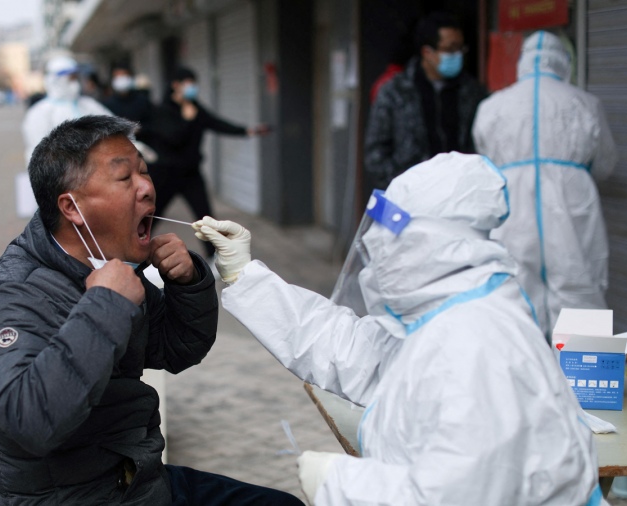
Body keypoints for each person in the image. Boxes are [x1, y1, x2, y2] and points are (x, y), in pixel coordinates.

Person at [193, 152, 605, 505]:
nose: (377, 249)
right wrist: (245, 275)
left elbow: (455, 497)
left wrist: (338, 482)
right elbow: (350, 349)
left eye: (389, 234)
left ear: (428, 241)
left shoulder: (477, 344)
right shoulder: (447, 313)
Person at [0, 115, 303, 505]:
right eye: (125, 178)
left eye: (145, 172)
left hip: (136, 480)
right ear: (71, 207)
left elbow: (178, 350)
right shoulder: (17, 292)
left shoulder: (110, 264)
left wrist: (188, 282)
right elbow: (27, 420)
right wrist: (105, 306)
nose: (147, 188)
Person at [472, 30, 618, 336]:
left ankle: (523, 376)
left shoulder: (492, 106)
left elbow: (484, 159)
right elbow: (605, 163)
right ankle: (583, 380)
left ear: (522, 63)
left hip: (512, 206)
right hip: (571, 202)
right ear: (564, 63)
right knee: (580, 286)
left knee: (515, 289)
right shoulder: (585, 103)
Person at [147, 66, 268, 259]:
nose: (192, 87)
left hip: (191, 175)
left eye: (193, 83)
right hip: (166, 174)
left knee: (205, 220)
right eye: (188, 83)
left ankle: (214, 259)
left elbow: (216, 123)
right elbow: (173, 139)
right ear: (175, 85)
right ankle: (134, 252)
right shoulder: (163, 110)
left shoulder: (195, 107)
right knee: (150, 216)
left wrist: (247, 131)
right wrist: (187, 120)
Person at [364, 11, 488, 190]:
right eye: (450, 48)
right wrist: (401, 185)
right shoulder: (395, 92)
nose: (458, 55)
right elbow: (376, 152)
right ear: (427, 52)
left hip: (461, 194)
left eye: (461, 48)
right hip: (412, 197)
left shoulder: (472, 92)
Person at [21, 55, 112, 165]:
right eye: (71, 78)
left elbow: (112, 127)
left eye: (75, 77)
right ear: (56, 80)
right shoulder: (40, 112)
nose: (75, 82)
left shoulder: (88, 104)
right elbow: (39, 152)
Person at [102, 63, 154, 128]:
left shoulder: (143, 101)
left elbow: (153, 124)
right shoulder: (108, 104)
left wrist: (140, 128)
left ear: (130, 77)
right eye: (118, 76)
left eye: (123, 75)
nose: (121, 79)